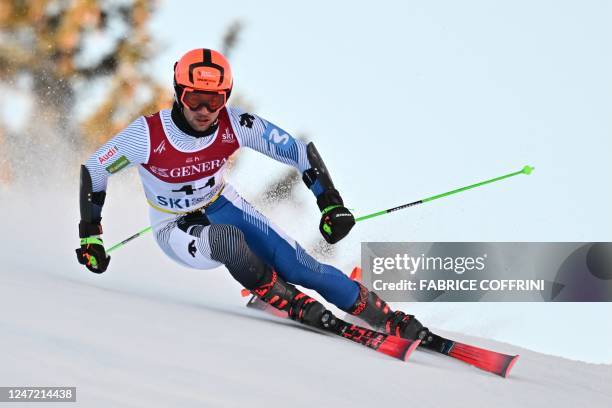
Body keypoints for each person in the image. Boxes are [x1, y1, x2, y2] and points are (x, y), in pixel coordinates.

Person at [75, 48, 425, 340]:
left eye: (214, 100)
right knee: (228, 241)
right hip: (174, 226)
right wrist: (91, 235)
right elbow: (95, 170)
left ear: (225, 98)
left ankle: (382, 315)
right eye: (194, 97)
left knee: (304, 267)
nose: (204, 110)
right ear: (178, 93)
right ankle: (284, 299)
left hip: (222, 203)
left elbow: (298, 152)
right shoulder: (148, 134)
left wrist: (330, 203)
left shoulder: (235, 123)